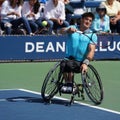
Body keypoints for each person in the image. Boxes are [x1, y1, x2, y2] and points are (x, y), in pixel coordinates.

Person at [59, 12, 97, 93]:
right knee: (63, 64)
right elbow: (60, 31)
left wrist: (86, 63)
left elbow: (91, 51)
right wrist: (67, 30)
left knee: (69, 64)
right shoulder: (72, 28)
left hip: (80, 62)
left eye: (90, 21)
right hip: (68, 58)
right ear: (81, 19)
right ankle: (68, 83)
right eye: (86, 19)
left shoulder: (92, 35)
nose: (88, 22)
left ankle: (70, 85)